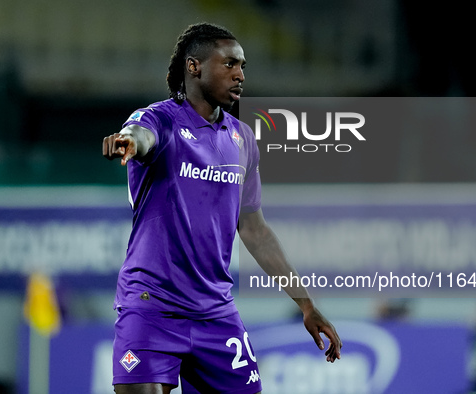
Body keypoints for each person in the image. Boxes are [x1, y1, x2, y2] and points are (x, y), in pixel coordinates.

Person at [102, 22, 342, 394]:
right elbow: (141, 136)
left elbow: (255, 231)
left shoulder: (242, 138)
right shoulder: (159, 120)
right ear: (194, 66)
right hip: (153, 309)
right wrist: (128, 142)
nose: (240, 75)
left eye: (243, 66)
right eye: (230, 64)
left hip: (216, 313)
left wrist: (306, 304)